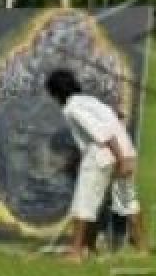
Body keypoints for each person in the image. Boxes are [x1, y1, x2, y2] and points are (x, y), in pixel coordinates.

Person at [44, 69, 147, 260]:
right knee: (128, 202)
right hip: (125, 150)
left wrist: (120, 160)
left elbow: (101, 132)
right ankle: (142, 249)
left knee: (84, 204)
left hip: (103, 157)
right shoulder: (91, 101)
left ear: (55, 93)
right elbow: (117, 118)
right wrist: (124, 157)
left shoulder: (72, 108)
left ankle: (76, 253)